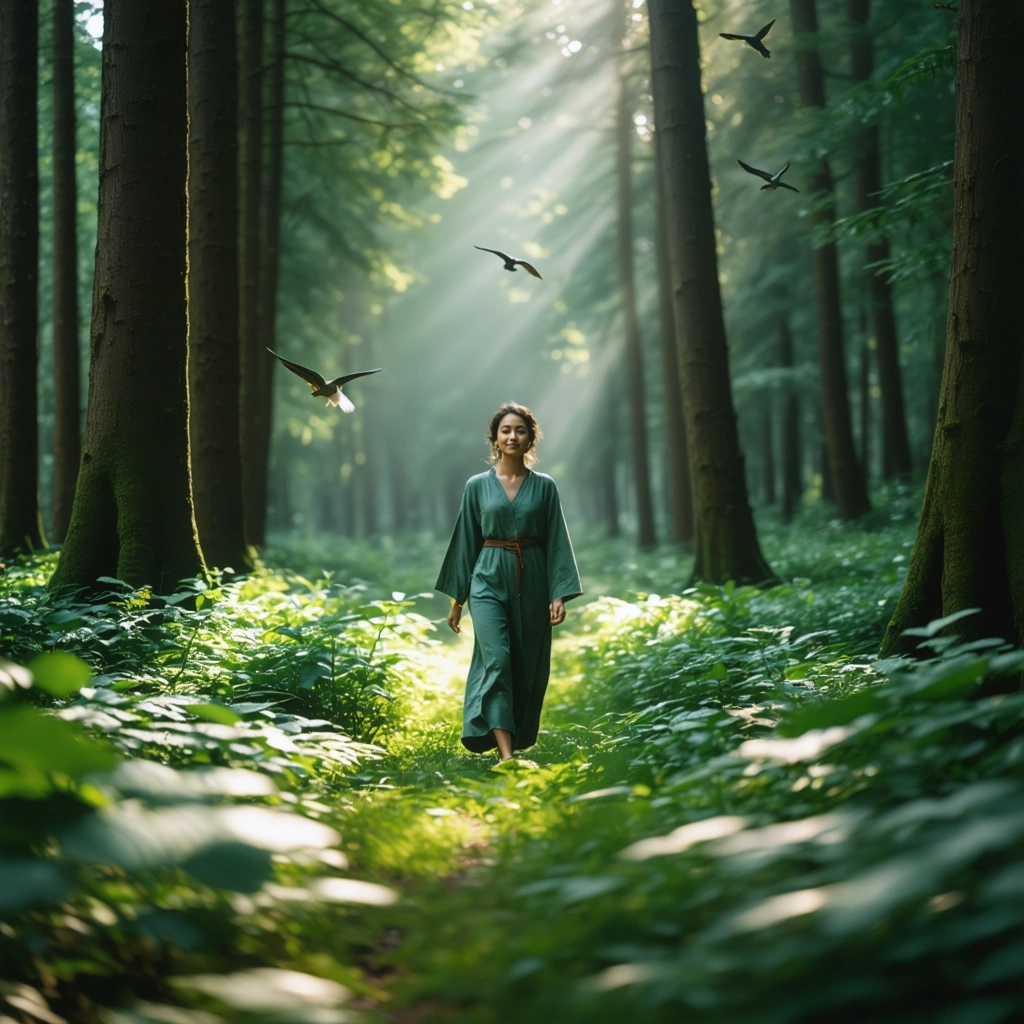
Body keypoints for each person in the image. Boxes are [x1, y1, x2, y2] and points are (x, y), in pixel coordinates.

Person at [435, 401, 582, 762]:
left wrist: (558, 594)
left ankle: (513, 739)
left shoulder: (545, 487)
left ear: (531, 438)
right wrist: (457, 600)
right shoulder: (476, 486)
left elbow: (556, 541)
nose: (512, 436)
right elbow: (466, 541)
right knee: (498, 660)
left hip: (532, 579)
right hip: (487, 578)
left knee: (524, 663)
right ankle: (506, 757)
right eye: (505, 430)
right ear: (495, 438)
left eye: (520, 430)